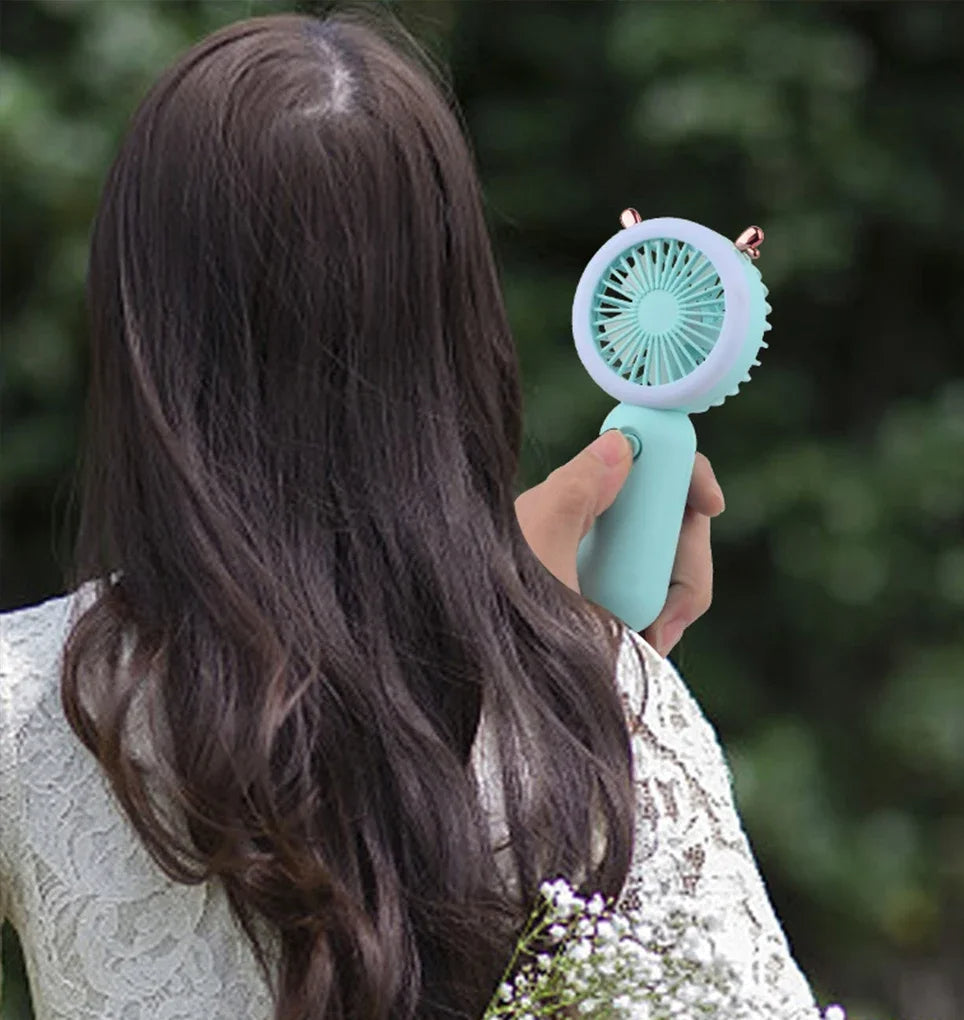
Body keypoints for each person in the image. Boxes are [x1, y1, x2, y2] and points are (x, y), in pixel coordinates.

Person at [0, 10, 820, 1019]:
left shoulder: (32, 707)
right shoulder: (606, 718)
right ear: (459, 316)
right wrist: (569, 681)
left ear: (138, 324)